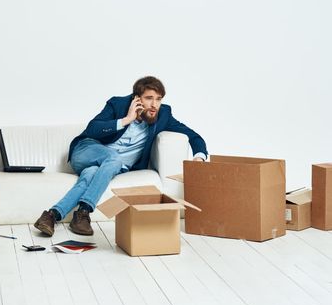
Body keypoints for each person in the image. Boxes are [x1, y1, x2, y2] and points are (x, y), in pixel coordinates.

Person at [34, 76, 207, 236]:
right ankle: (84, 211)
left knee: (90, 175)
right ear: (136, 98)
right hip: (87, 150)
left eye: (159, 99)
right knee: (114, 158)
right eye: (149, 98)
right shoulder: (117, 104)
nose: (154, 104)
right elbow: (92, 128)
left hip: (109, 167)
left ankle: (51, 216)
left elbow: (193, 136)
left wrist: (199, 157)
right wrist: (126, 119)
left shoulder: (163, 115)